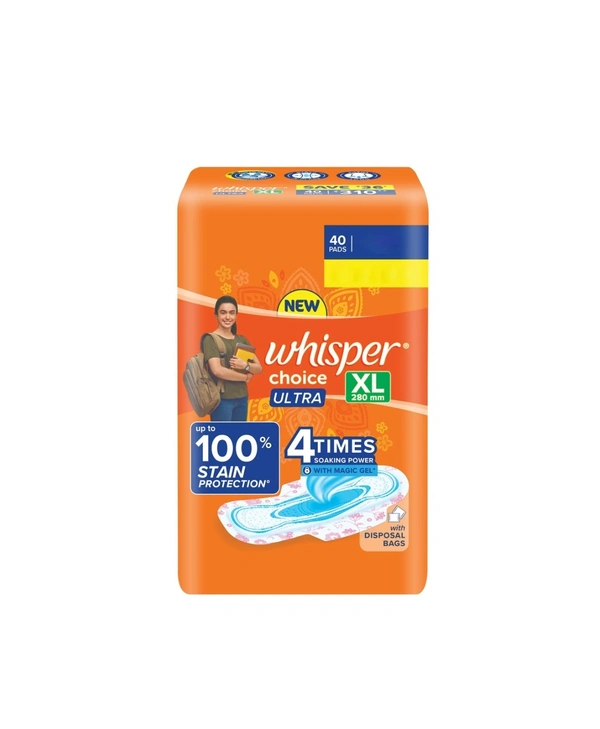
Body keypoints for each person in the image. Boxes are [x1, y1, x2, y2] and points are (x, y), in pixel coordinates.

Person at [202, 295, 262, 421]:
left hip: (242, 397)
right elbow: (217, 370)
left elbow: (259, 368)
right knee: (223, 433)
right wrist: (245, 377)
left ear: (236, 315)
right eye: (223, 312)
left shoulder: (242, 340)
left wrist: (245, 366)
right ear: (216, 315)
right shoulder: (210, 339)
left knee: (239, 433)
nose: (228, 317)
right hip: (222, 400)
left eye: (232, 313)